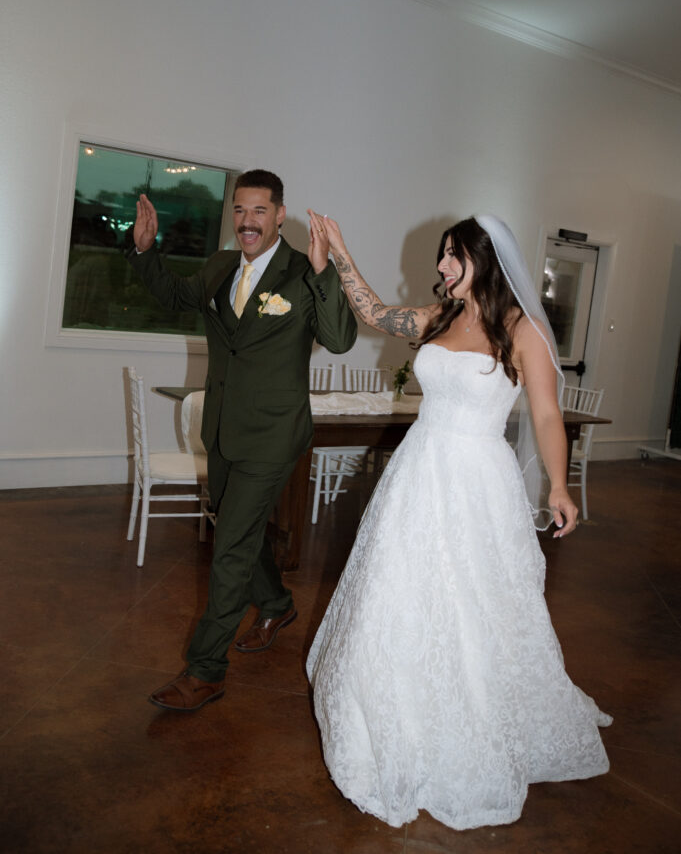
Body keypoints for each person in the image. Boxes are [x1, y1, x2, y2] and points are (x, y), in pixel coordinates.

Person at [305, 211, 611, 830]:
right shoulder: (439, 316)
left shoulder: (522, 330)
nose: (442, 264)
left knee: (475, 602)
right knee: (398, 589)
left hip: (477, 482)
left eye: (454, 254)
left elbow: (547, 416)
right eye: (443, 254)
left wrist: (558, 485)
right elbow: (373, 313)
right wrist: (338, 251)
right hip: (418, 472)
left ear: (485, 259)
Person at [128, 170, 357, 711]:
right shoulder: (220, 266)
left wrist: (325, 270)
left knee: (229, 546)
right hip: (222, 429)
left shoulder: (303, 271)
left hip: (273, 434)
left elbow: (340, 339)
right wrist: (144, 251)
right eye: (240, 210)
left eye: (259, 211)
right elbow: (174, 294)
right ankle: (276, 603)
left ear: (280, 215)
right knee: (240, 531)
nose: (247, 221)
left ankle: (205, 670)